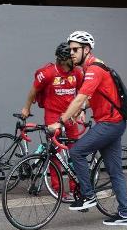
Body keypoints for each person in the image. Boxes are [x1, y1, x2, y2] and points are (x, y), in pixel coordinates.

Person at [48, 31, 127, 226]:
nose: (71, 53)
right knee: (115, 171)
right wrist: (83, 109)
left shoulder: (94, 69)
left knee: (76, 151)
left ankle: (88, 196)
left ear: (86, 50)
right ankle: (125, 214)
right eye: (70, 49)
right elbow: (94, 97)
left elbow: (79, 97)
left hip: (109, 124)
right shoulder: (90, 68)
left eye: (75, 49)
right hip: (113, 123)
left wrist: (61, 121)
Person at [21, 42, 84, 199]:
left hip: (70, 116)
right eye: (70, 58)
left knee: (74, 150)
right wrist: (27, 108)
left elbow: (82, 93)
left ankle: (75, 187)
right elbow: (33, 90)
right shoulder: (49, 73)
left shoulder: (78, 73)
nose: (73, 60)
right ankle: (57, 189)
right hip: (52, 115)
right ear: (63, 60)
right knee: (55, 153)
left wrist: (81, 111)